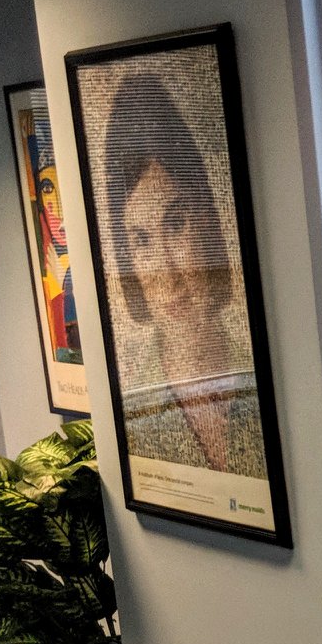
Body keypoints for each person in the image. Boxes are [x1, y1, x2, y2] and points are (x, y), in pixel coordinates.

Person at [101, 71, 266, 478]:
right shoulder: (134, 413)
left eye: (175, 226)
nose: (168, 278)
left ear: (209, 219)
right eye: (141, 241)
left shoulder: (269, 379)